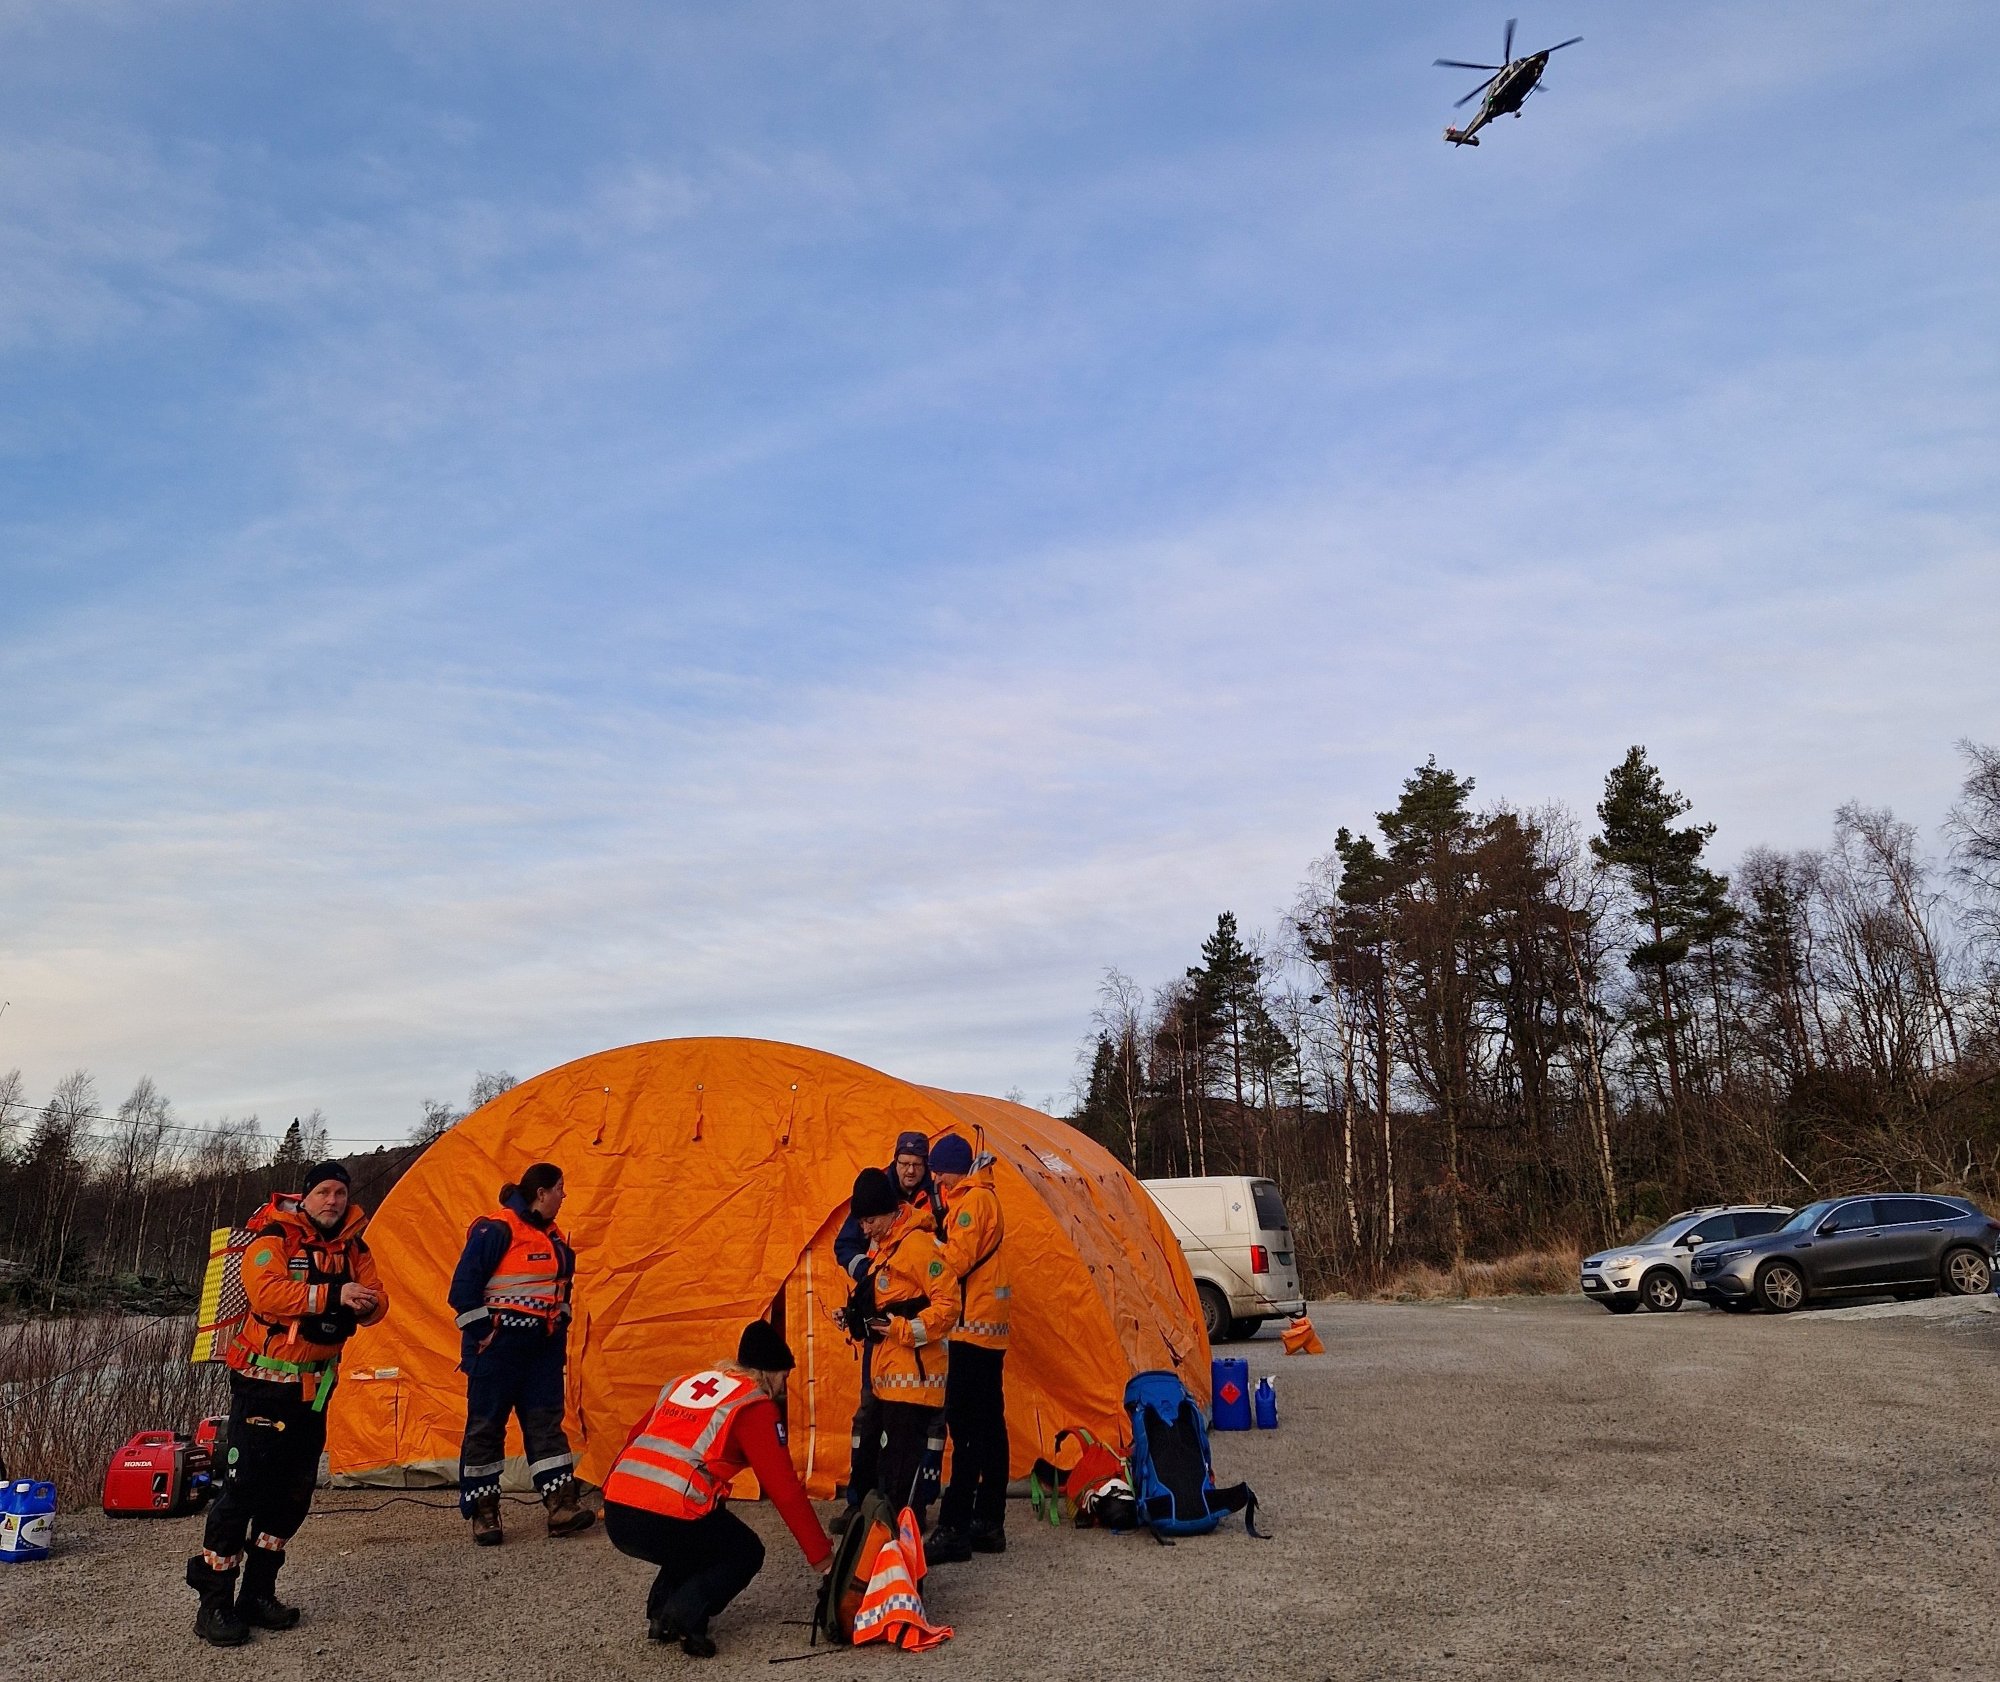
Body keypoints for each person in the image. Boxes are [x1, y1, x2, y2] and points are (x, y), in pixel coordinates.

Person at [186, 1160, 389, 1647]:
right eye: (323, 1192)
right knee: (242, 1492)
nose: (333, 1201)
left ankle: (258, 1593)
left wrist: (369, 1306)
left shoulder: (355, 1248)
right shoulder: (275, 1237)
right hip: (262, 1386)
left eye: (340, 1193)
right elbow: (266, 1293)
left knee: (293, 1496)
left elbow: (379, 1299)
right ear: (305, 1197)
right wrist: (336, 1295)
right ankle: (213, 1604)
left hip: (313, 1392)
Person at [602, 1319, 832, 1659]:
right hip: (663, 1517)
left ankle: (661, 1615)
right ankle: (686, 1615)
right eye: (784, 1377)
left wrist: (610, 1494)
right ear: (769, 1373)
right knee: (743, 1551)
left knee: (705, 1533)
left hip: (618, 1512)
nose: (784, 1388)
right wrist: (823, 1559)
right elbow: (785, 1490)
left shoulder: (684, 1383)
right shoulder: (754, 1406)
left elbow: (636, 1437)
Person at [446, 1162, 593, 1544]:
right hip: (497, 1350)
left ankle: (562, 1506)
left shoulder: (556, 1240)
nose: (564, 1195)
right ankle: (484, 1513)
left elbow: (562, 1293)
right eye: (560, 1187)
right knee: (486, 1429)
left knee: (546, 1425)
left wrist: (557, 1329)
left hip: (541, 1352)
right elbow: (462, 1292)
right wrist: (486, 1335)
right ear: (541, 1193)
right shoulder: (495, 1230)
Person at [831, 1131, 938, 1523]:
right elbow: (848, 1247)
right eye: (904, 1163)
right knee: (871, 1420)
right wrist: (865, 1286)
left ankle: (908, 1508)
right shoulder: (875, 1200)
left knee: (912, 1433)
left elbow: (942, 1290)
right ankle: (863, 1503)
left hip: (912, 1350)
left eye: (917, 1164)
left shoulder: (931, 1208)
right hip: (884, 1344)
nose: (910, 1171)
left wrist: (902, 1325)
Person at [849, 1166, 956, 1527]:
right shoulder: (887, 1250)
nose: (865, 1230)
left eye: (869, 1221)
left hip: (915, 1380)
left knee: (902, 1469)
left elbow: (948, 1307)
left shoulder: (917, 1246)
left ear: (888, 1212)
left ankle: (903, 1537)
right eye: (861, 1223)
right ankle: (887, 1533)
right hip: (891, 1377)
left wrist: (900, 1329)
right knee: (886, 1462)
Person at [923, 1133, 1012, 1562]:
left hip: (970, 1330)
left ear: (953, 1170)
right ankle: (989, 1521)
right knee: (990, 1425)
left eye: (939, 1172)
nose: (936, 1180)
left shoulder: (972, 1203)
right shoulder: (980, 1198)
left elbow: (953, 1262)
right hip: (986, 1329)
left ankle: (955, 1527)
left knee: (965, 1426)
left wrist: (925, 1246)